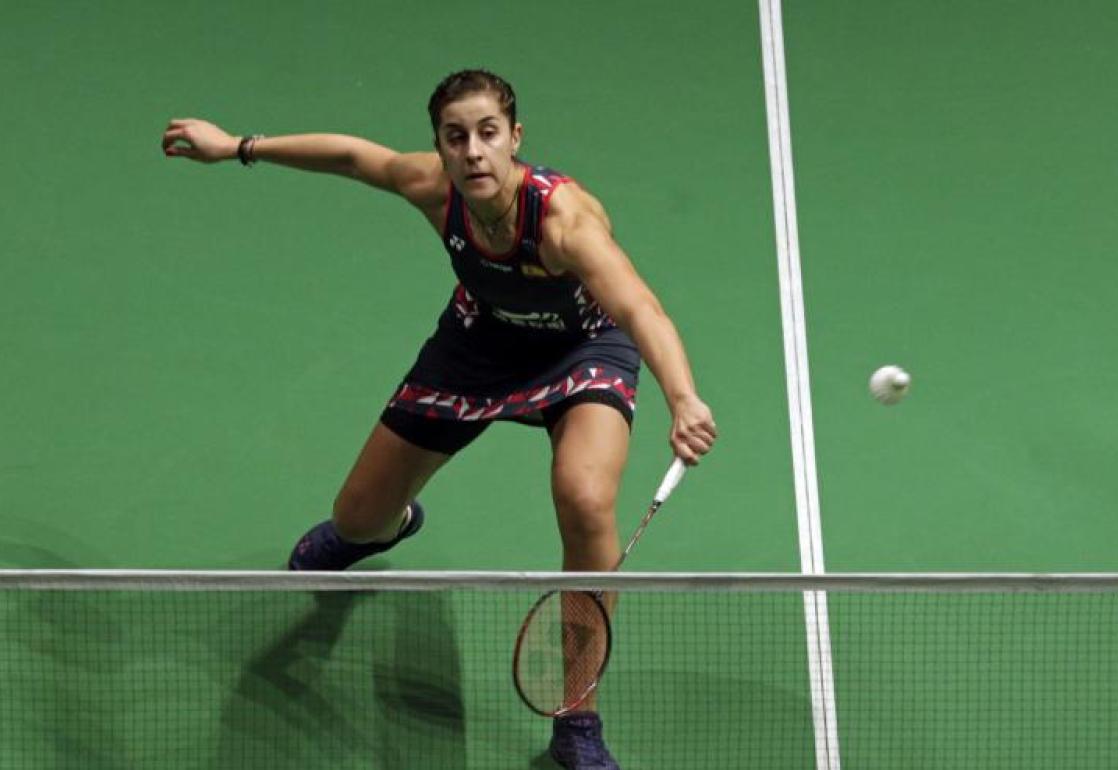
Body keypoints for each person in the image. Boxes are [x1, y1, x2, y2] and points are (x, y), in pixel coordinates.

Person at [162, 69, 716, 770]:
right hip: (478, 345)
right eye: (456, 138)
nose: (474, 152)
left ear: (515, 137)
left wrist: (684, 395)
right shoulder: (434, 189)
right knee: (357, 517)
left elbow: (641, 309)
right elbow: (354, 157)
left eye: (488, 134)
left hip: (582, 351)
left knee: (584, 498)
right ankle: (387, 526)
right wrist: (238, 146)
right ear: (442, 147)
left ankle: (577, 716)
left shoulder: (562, 223)